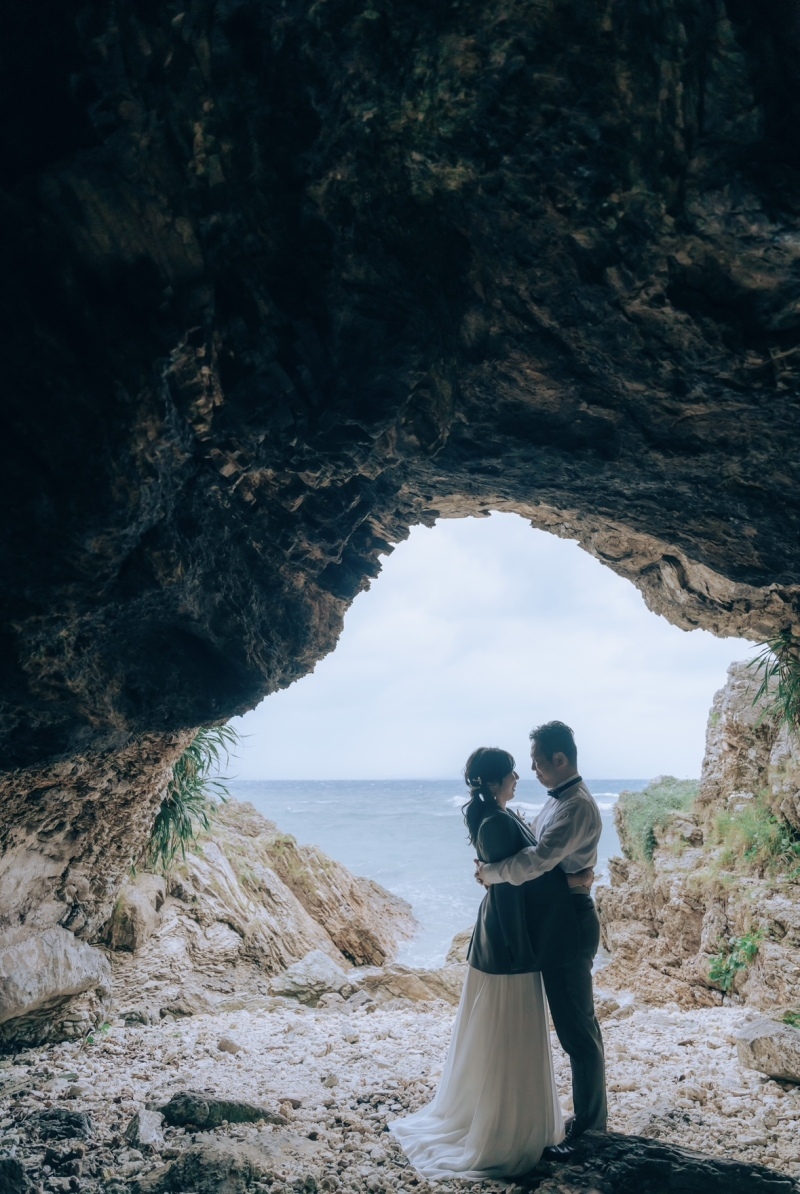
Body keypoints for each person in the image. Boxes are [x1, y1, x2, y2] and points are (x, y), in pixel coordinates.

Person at [390, 746, 585, 1180]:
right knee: (507, 1030)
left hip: (508, 934)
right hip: (508, 939)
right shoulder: (496, 820)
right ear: (496, 780)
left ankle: (512, 1120)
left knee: (506, 1028)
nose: (519, 778)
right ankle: (505, 1131)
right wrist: (568, 885)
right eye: (513, 773)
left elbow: (514, 871)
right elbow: (517, 884)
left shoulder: (499, 814)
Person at [475, 721, 607, 1154]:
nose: (531, 769)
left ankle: (590, 1130)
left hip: (570, 921)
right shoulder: (558, 804)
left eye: (536, 761)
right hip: (557, 917)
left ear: (559, 759)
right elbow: (538, 860)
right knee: (574, 1026)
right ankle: (588, 1120)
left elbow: (536, 861)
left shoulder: (576, 808)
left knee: (577, 1030)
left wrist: (492, 874)